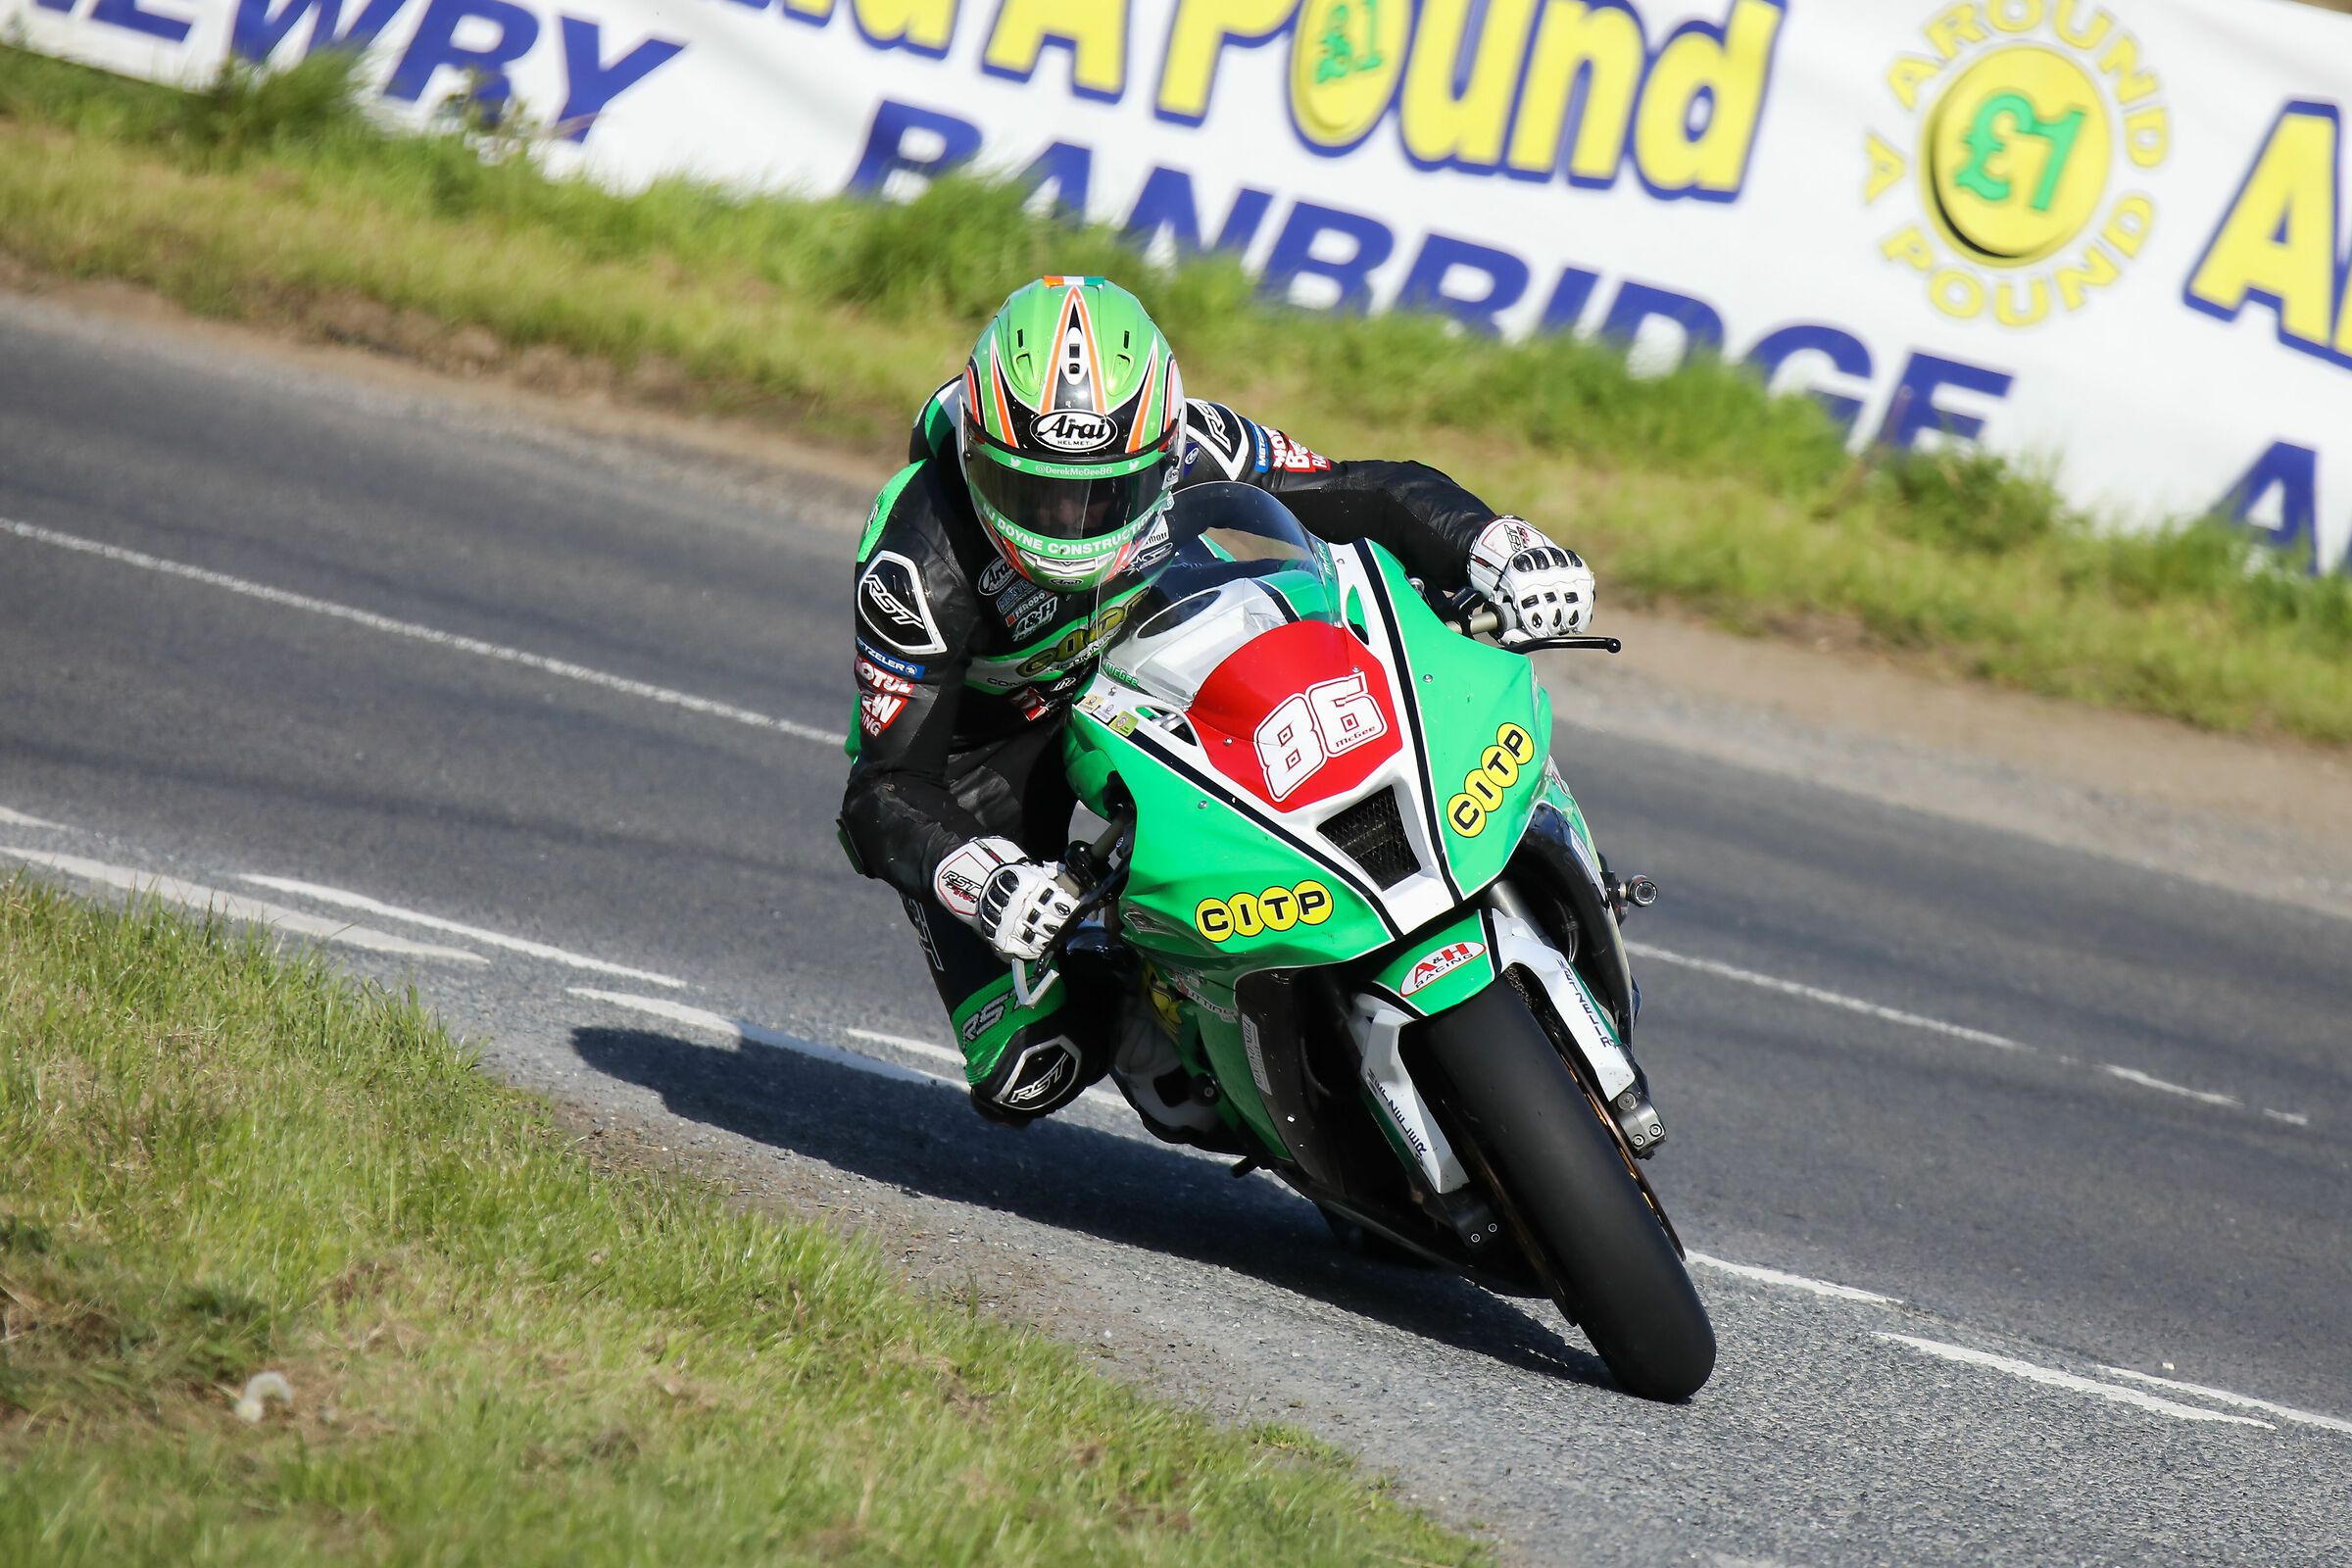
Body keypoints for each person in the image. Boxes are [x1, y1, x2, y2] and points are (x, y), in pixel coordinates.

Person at [838, 275, 1595, 1134]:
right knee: (1034, 1064)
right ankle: (1174, 994)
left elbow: (1366, 492)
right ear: (978, 456)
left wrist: (1497, 546)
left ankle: (1541, 833)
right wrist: (986, 881)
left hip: (1158, 645)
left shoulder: (1201, 439)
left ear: (1161, 448)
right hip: (1000, 742)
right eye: (1035, 492)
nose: (1070, 523)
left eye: (1103, 493)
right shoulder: (913, 560)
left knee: (1392, 653)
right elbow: (883, 789)